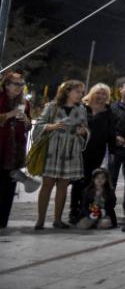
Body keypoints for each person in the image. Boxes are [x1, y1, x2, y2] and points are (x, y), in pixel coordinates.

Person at [33, 80, 89, 230]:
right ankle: (40, 220)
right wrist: (51, 126)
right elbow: (38, 125)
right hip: (53, 150)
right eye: (77, 91)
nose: (80, 95)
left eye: (81, 92)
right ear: (67, 91)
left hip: (71, 151)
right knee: (47, 185)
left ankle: (57, 220)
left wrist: (83, 132)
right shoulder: (52, 107)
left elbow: (85, 129)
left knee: (63, 186)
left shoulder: (82, 109)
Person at [69, 83, 116, 225]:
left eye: (104, 94)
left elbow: (111, 134)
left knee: (90, 182)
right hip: (79, 151)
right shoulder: (82, 107)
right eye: (98, 93)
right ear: (92, 93)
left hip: (97, 152)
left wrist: (112, 152)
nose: (100, 96)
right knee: (77, 181)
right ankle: (73, 211)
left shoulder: (109, 112)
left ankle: (87, 211)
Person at [0, 71, 33, 228]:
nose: (20, 87)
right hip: (1, 147)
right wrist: (9, 114)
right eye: (16, 84)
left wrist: (26, 120)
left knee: (9, 186)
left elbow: (28, 126)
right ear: (6, 84)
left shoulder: (24, 103)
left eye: (22, 84)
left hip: (14, 152)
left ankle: (3, 221)